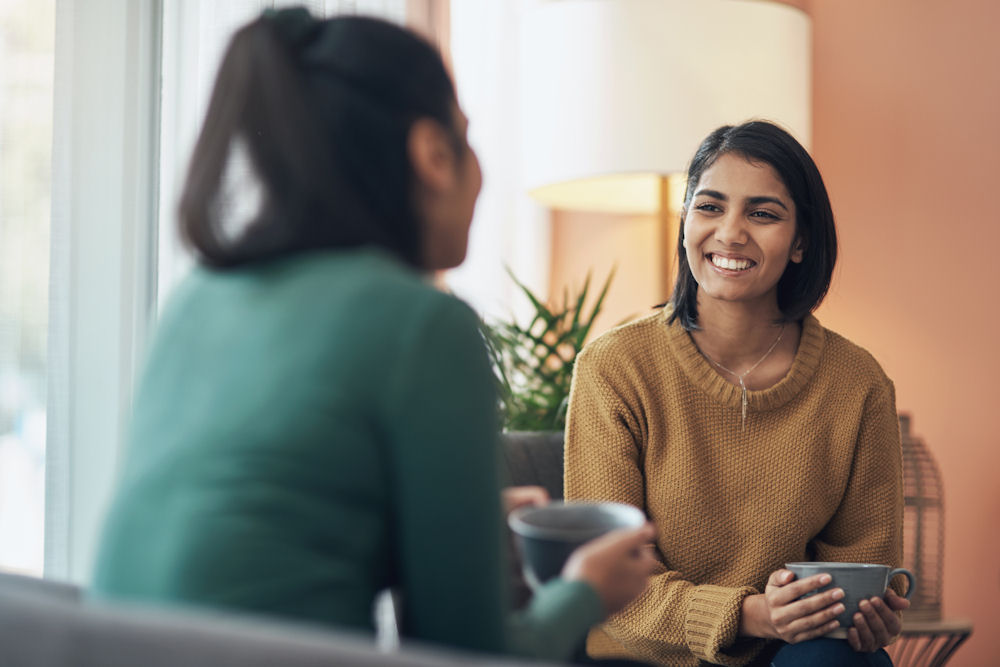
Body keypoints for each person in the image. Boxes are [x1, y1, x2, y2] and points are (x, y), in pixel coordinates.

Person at [90, 7, 657, 663]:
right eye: (468, 140)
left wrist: (441, 523)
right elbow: (465, 651)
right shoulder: (423, 324)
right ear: (432, 154)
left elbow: (247, 540)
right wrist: (587, 590)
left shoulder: (201, 295)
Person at [563, 120, 909, 667]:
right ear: (684, 224)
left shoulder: (857, 384)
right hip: (642, 655)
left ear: (800, 243)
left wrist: (868, 620)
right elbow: (608, 588)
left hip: (792, 656)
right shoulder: (614, 368)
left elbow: (866, 564)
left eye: (763, 213)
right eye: (709, 207)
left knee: (836, 659)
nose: (729, 233)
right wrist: (749, 614)